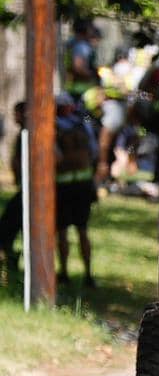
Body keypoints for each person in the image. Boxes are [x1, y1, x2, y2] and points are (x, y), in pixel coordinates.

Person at [55, 92, 99, 287]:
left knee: (63, 231)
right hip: (83, 185)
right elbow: (94, 151)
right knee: (82, 230)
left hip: (63, 186)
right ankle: (88, 275)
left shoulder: (51, 127)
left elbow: (54, 157)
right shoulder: (83, 124)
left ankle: (64, 273)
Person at [0, 103, 25, 270]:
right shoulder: (21, 134)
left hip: (28, 192)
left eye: (18, 114)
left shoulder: (27, 134)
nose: (15, 118)